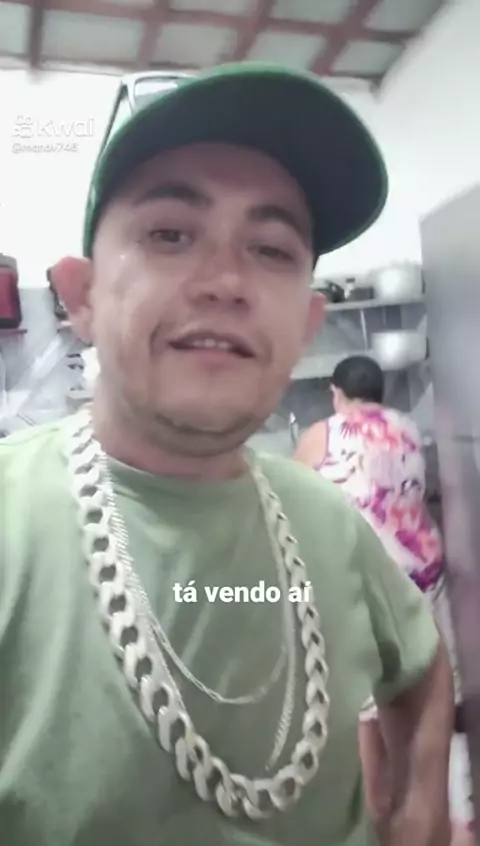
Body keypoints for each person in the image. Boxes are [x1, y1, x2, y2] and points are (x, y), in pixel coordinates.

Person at [0, 63, 454, 846]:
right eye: (170, 234)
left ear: (306, 324)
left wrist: (422, 810)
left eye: (271, 248)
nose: (225, 281)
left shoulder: (328, 521)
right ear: (81, 296)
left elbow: (421, 667)